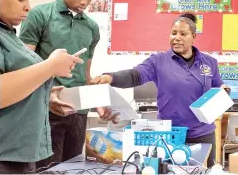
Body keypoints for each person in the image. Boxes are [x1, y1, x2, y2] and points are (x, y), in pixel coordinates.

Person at [90, 13, 229, 167]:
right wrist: (110, 77)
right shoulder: (158, 61)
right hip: (170, 136)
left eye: (183, 34)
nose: (177, 38)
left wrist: (224, 91)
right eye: (173, 33)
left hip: (202, 134)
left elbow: (218, 88)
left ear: (193, 37)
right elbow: (136, 75)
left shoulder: (210, 63)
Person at [18, 0, 117, 169]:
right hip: (46, 111)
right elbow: (23, 69)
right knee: (47, 169)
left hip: (78, 114)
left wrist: (97, 103)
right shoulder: (39, 15)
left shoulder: (91, 27)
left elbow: (85, 75)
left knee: (74, 168)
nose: (84, 2)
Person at [0, 0, 83, 173]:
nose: (28, 7)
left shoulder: (9, 35)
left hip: (19, 155)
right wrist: (50, 66)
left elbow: (14, 88)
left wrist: (45, 95)